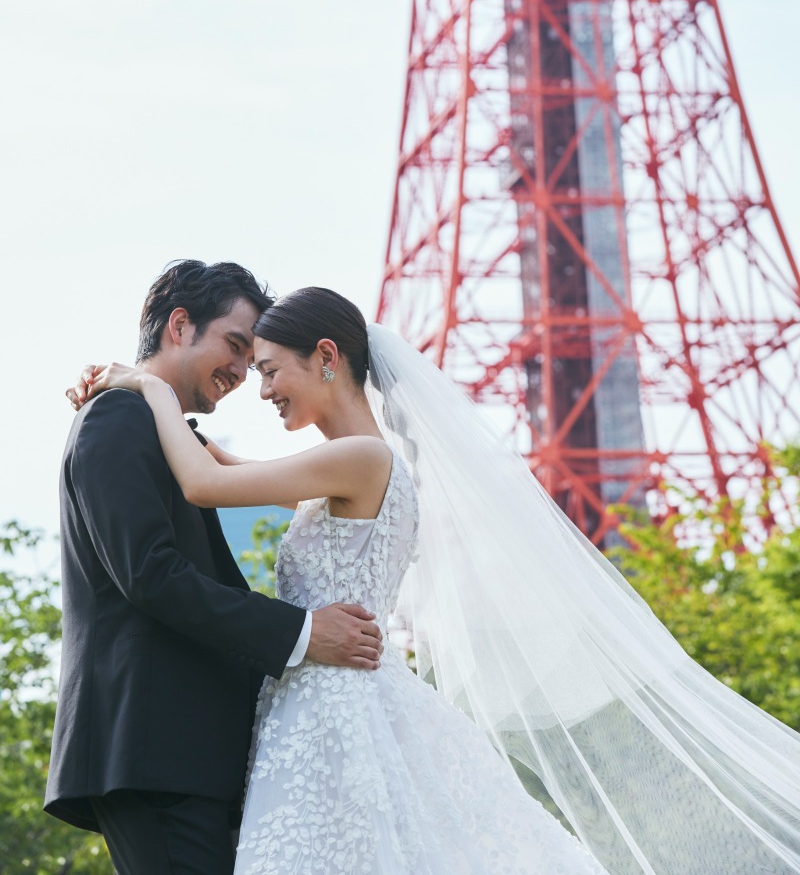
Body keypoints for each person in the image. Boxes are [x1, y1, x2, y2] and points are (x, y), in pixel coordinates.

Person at [71, 287, 800, 874]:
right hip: (321, 697)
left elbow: (199, 483)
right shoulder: (344, 470)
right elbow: (220, 467)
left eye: (268, 369)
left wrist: (148, 389)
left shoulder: (360, 461)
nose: (260, 390)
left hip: (333, 701)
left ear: (326, 357)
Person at [46, 263, 382, 875]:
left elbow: (217, 476)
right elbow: (149, 573)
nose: (243, 372)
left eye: (255, 359)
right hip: (153, 749)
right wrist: (305, 633)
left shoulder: (165, 430)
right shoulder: (117, 418)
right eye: (234, 345)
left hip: (192, 755)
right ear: (180, 325)